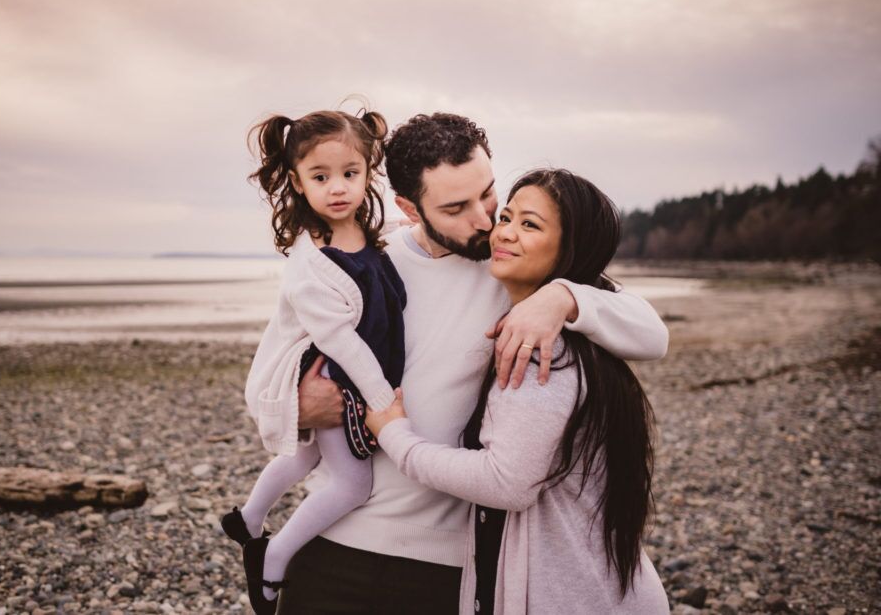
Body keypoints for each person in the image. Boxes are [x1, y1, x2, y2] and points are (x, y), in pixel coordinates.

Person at [262, 112, 669, 614]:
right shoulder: (359, 256)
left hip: (451, 564)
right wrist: (296, 403)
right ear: (410, 208)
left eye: (489, 195)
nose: (484, 220)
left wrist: (563, 298)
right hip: (334, 538)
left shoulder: (511, 268)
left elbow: (652, 335)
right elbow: (265, 380)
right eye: (456, 207)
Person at [366, 168, 670, 614]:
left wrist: (397, 437)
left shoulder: (540, 350)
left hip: (574, 597)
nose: (503, 232)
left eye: (530, 225)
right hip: (594, 586)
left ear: (571, 249)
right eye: (506, 217)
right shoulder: (579, 332)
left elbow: (505, 482)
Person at [221, 108, 406, 614]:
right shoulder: (311, 265)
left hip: (346, 373)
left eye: (350, 174)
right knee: (353, 482)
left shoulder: (366, 228)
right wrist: (383, 399)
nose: (338, 188)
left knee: (304, 457)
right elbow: (343, 343)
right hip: (335, 377)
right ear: (299, 184)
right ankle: (274, 560)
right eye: (320, 177)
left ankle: (248, 517)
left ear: (369, 173)